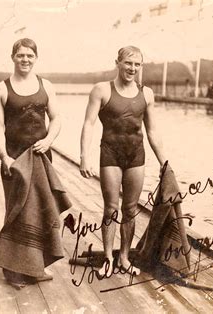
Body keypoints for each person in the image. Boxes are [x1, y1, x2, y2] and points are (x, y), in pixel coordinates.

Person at [0, 38, 70, 288]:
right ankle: (12, 270)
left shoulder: (46, 85)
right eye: (20, 55)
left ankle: (35, 267)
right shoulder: (0, 90)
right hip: (14, 158)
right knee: (16, 211)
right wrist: (4, 156)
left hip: (42, 157)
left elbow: (56, 119)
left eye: (29, 56)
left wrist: (49, 141)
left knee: (41, 211)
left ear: (36, 58)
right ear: (12, 56)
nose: (25, 59)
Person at [80, 46, 166, 276]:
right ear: (117, 62)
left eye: (137, 64)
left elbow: (153, 131)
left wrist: (164, 162)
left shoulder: (146, 94)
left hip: (136, 155)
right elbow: (88, 124)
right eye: (128, 63)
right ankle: (108, 258)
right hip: (110, 154)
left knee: (130, 209)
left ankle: (125, 258)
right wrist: (84, 157)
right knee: (111, 208)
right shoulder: (101, 90)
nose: (132, 68)